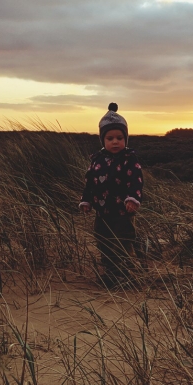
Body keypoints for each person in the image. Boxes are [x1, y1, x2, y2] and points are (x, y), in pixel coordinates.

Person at [79, 103, 143, 287]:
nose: (115, 142)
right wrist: (86, 200)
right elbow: (90, 181)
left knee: (123, 240)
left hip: (123, 212)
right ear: (103, 140)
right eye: (110, 138)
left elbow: (137, 180)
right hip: (102, 212)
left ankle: (125, 273)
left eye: (119, 138)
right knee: (103, 240)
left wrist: (133, 199)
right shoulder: (97, 160)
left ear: (126, 139)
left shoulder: (129, 159)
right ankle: (110, 272)